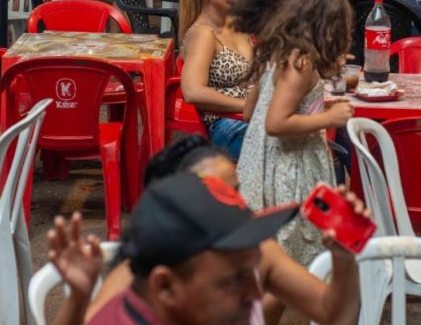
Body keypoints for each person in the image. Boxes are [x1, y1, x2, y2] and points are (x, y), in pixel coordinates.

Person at [47, 136, 364, 325]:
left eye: (234, 189)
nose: (257, 295)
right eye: (209, 193)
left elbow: (334, 312)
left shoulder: (251, 249)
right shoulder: (137, 288)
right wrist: (78, 297)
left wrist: (343, 257)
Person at [231, 0, 353, 265]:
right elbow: (276, 123)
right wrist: (329, 118)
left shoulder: (278, 50)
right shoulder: (301, 63)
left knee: (272, 257)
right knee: (289, 260)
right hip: (288, 168)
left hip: (260, 162)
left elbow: (251, 113)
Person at [179, 0, 253, 158]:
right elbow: (193, 92)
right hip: (226, 125)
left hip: (249, 119)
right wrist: (247, 106)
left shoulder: (235, 24)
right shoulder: (203, 34)